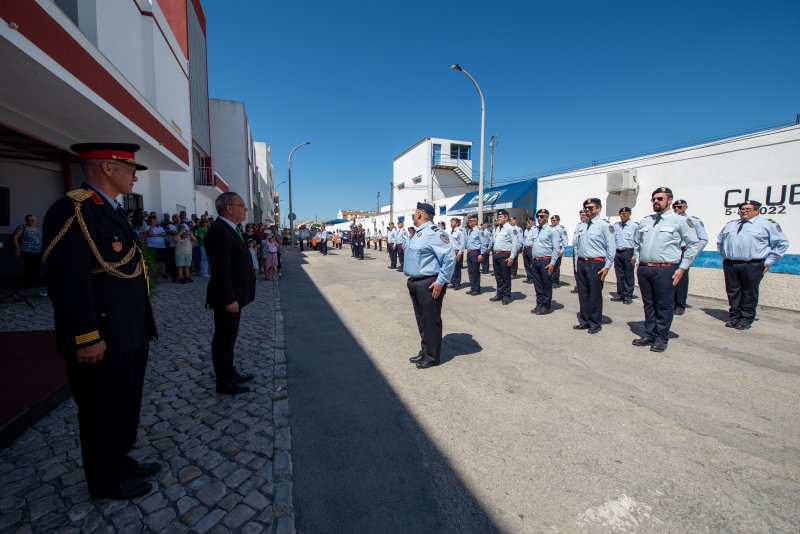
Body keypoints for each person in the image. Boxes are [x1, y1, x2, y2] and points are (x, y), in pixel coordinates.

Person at [41, 142, 158, 500]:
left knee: (125, 402)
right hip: (102, 334)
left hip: (129, 328)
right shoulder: (73, 209)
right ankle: (106, 480)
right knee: (101, 409)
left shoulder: (110, 210)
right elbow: (69, 280)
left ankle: (118, 459)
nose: (135, 177)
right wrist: (86, 336)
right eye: (130, 170)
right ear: (108, 168)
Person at [633, 187, 700, 352]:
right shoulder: (645, 221)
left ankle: (661, 338)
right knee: (648, 304)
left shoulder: (680, 221)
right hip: (645, 269)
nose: (656, 201)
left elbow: (693, 244)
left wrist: (683, 267)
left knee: (664, 305)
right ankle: (649, 333)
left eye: (660, 199)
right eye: (654, 199)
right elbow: (637, 244)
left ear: (669, 200)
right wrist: (639, 262)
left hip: (665, 269)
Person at [205, 192, 256, 395]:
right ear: (229, 208)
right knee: (223, 338)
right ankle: (223, 382)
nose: (245, 209)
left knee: (230, 337)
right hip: (228, 298)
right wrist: (229, 298)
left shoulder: (230, 228)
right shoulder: (219, 231)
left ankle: (230, 371)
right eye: (242, 205)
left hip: (236, 295)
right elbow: (220, 269)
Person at [717, 200, 788, 330]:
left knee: (749, 292)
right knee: (733, 291)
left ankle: (746, 318)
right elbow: (720, 241)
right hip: (731, 264)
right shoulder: (731, 224)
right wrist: (725, 257)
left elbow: (782, 243)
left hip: (753, 264)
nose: (744, 211)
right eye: (742, 209)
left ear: (757, 211)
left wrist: (769, 261)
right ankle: (734, 316)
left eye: (748, 209)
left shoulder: (766, 224)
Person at [403, 203, 455, 369]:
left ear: (419, 214)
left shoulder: (435, 233)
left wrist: (441, 281)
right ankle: (425, 350)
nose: (414, 216)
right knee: (422, 321)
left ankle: (432, 357)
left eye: (414, 213)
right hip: (415, 282)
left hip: (429, 283)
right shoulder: (418, 233)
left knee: (431, 321)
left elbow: (449, 258)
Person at [573, 198, 615, 334]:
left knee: (594, 294)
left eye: (590, 207)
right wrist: (576, 264)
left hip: (596, 263)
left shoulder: (604, 225)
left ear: (598, 209)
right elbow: (576, 246)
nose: (587, 210)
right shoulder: (581, 226)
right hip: (581, 262)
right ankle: (584, 321)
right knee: (583, 294)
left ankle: (595, 323)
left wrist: (607, 266)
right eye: (585, 208)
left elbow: (611, 247)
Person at [671, 199, 709, 315]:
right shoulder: (670, 220)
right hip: (670, 252)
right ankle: (670, 303)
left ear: (685, 207)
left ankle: (680, 305)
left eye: (679, 206)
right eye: (675, 207)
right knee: (668, 277)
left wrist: (691, 253)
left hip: (683, 251)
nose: (677, 209)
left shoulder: (693, 221)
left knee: (681, 279)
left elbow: (703, 239)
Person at [528, 209, 561, 315]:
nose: (539, 218)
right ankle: (539, 304)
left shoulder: (552, 230)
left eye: (542, 216)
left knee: (546, 284)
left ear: (547, 217)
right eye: (538, 216)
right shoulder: (535, 230)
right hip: (536, 261)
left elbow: (556, 248)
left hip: (546, 261)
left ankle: (546, 306)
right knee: (537, 285)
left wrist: (552, 263)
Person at [491, 209, 518, 305]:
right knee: (498, 276)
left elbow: (515, 244)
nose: (498, 218)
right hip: (496, 255)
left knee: (505, 277)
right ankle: (499, 293)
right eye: (498, 217)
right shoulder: (498, 228)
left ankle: (507, 295)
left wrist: (512, 257)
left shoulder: (511, 228)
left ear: (506, 217)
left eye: (500, 217)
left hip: (505, 255)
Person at [611, 207, 638, 304]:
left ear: (630, 214)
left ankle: (628, 295)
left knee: (628, 274)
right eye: (621, 214)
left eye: (625, 213)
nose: (622, 215)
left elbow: (637, 242)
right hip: (618, 252)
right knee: (619, 274)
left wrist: (635, 255)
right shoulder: (616, 226)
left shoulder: (634, 226)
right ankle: (620, 293)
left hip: (628, 252)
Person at [11, 213, 43, 288]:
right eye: (29, 220)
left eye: (33, 220)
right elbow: (15, 237)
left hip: (38, 250)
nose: (31, 221)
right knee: (31, 266)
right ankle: (27, 284)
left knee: (37, 266)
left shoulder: (38, 229)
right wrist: (17, 249)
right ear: (26, 221)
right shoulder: (22, 227)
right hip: (26, 250)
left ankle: (36, 282)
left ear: (35, 221)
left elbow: (40, 240)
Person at [464, 214, 486, 295]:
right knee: (470, 271)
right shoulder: (470, 231)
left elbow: (484, 243)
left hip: (475, 253)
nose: (469, 222)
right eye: (468, 220)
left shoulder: (479, 230)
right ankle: (472, 287)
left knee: (475, 271)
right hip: (469, 253)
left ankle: (476, 289)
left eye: (470, 220)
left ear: (475, 221)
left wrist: (482, 254)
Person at [550, 215, 568, 286]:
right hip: (550, 248)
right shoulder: (550, 228)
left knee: (556, 265)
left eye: (554, 220)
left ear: (558, 220)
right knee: (550, 264)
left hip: (558, 248)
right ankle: (549, 280)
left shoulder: (561, 228)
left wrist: (562, 251)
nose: (552, 222)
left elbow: (565, 240)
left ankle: (555, 281)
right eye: (551, 220)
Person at [448, 218, 466, 289]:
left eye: (453, 222)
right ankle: (452, 282)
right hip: (451, 252)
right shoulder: (451, 232)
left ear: (457, 223)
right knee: (452, 268)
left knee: (457, 269)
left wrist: (460, 253)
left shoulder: (459, 232)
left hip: (457, 252)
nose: (451, 223)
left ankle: (457, 284)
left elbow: (463, 243)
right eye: (451, 222)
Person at [521, 216, 536, 284]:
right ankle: (529, 277)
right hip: (525, 249)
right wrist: (523, 249)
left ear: (532, 222)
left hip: (531, 248)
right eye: (527, 221)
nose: (527, 222)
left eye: (529, 221)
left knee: (532, 264)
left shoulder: (535, 229)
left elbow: (535, 241)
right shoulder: (526, 230)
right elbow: (524, 240)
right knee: (526, 264)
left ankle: (533, 278)